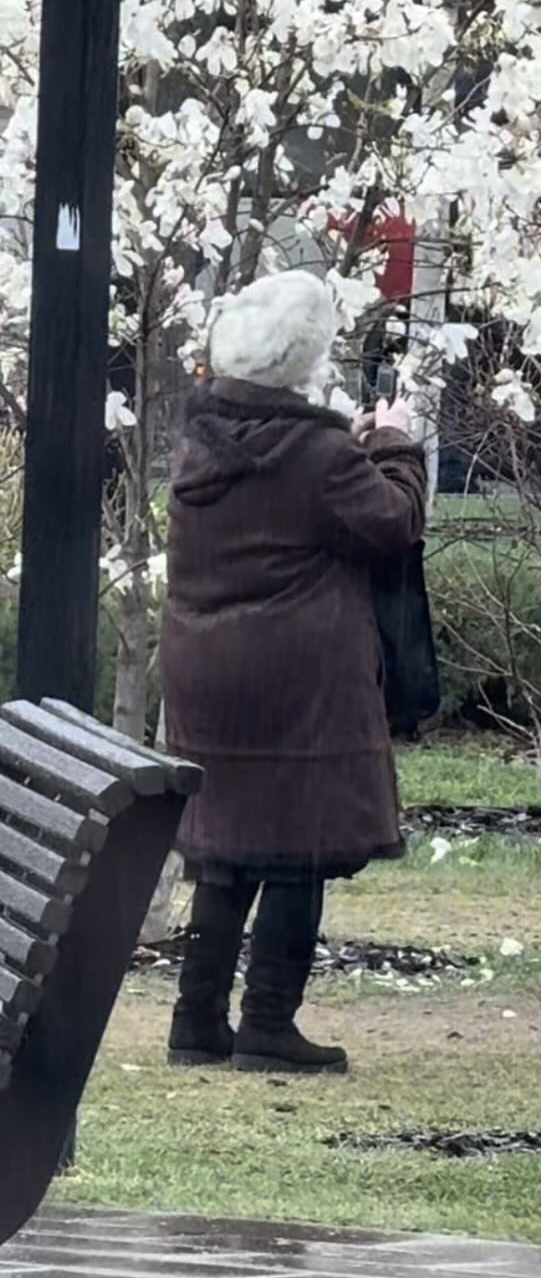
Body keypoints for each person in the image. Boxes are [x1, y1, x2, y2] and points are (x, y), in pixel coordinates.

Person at [161, 270, 427, 1076]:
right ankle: (269, 1023)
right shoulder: (316, 452)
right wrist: (395, 442)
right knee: (297, 848)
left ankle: (196, 1021)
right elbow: (394, 522)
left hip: (206, 673)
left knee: (227, 848)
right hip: (297, 679)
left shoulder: (199, 443)